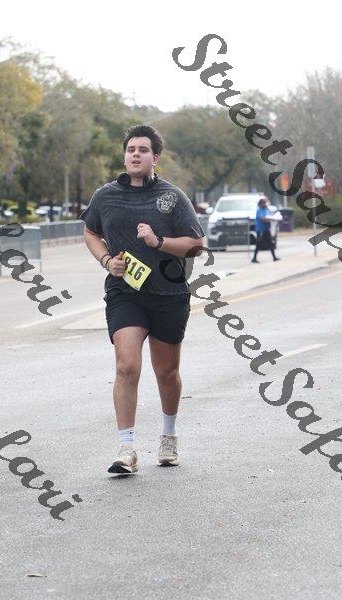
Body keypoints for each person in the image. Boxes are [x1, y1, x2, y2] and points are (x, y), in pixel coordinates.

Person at [79, 124, 205, 475]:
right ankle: (126, 448)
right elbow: (90, 232)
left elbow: (196, 245)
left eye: (143, 150)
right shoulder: (105, 196)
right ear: (125, 156)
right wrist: (107, 261)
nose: (135, 154)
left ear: (154, 158)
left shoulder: (172, 197)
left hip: (169, 294)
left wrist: (158, 241)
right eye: (131, 149)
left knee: (166, 371)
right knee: (126, 365)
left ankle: (168, 436)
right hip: (125, 293)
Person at [252, 197, 280, 263]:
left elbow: (269, 216)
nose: (265, 204)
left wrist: (273, 218)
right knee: (258, 244)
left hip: (266, 229)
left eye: (265, 203)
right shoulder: (259, 210)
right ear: (260, 204)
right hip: (260, 230)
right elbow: (262, 218)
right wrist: (270, 219)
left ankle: (274, 257)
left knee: (270, 243)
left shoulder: (266, 210)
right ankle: (254, 258)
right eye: (263, 203)